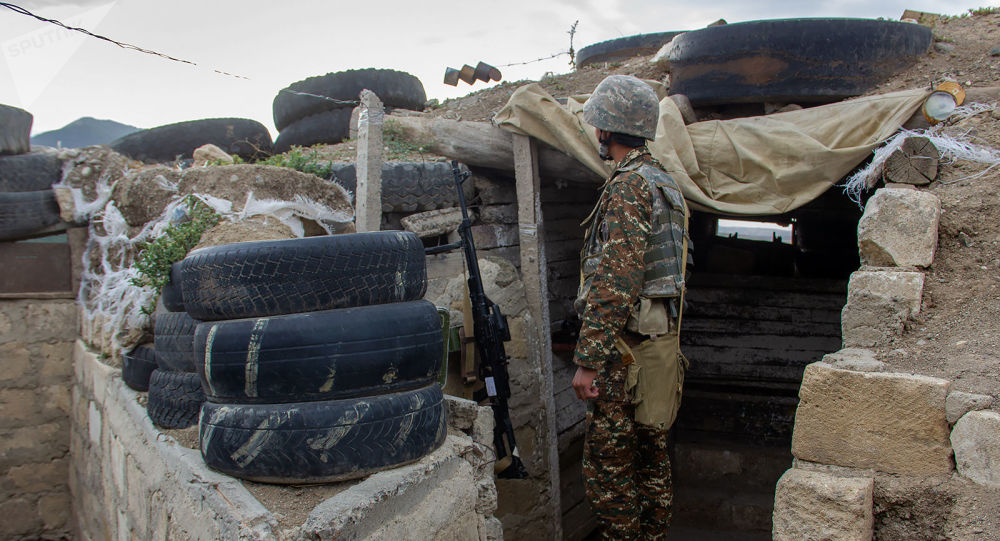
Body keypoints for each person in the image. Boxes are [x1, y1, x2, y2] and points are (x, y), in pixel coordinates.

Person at [571, 74, 690, 540]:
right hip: (654, 349)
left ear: (605, 128)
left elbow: (615, 283)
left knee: (611, 478)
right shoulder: (665, 184)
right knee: (652, 464)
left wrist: (587, 361)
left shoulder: (629, 186)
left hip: (624, 356)